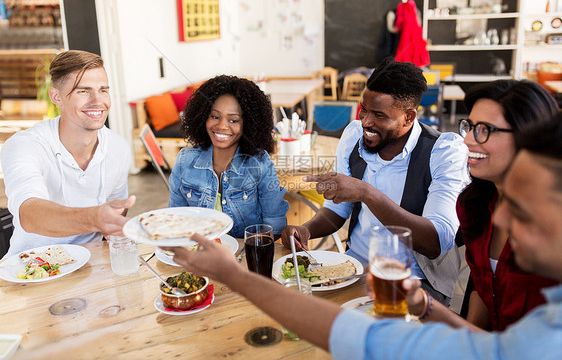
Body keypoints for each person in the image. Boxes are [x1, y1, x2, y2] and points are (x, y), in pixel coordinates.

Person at [165, 112, 562, 359]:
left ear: (408, 116)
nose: (502, 219)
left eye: (522, 206)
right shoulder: (545, 322)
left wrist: (234, 275)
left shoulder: (441, 151)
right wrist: (426, 308)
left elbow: (370, 339)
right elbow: (486, 348)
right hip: (376, 284)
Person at [282, 57, 469, 303]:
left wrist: (366, 193)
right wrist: (306, 229)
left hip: (415, 279)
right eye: (364, 109)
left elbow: (436, 242)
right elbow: (337, 211)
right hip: (355, 267)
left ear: (409, 117)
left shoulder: (443, 151)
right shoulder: (353, 137)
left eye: (379, 115)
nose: (366, 122)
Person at [1, 50, 135, 258]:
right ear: (56, 97)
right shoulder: (24, 145)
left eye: (103, 90)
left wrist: (112, 222)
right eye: (83, 91)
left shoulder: (118, 147)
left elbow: (115, 210)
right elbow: (29, 214)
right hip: (29, 267)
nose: (97, 101)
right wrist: (95, 218)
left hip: (91, 263)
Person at [453, 80, 558, 331]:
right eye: (469, 126)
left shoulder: (554, 223)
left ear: (529, 135)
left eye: (484, 129)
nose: (467, 139)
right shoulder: (473, 206)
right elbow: (482, 290)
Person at [168, 74, 289, 238]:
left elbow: (274, 226)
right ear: (203, 116)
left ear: (248, 124)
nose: (222, 126)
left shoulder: (260, 163)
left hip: (243, 258)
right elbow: (176, 220)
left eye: (233, 120)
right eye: (215, 116)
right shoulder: (185, 161)